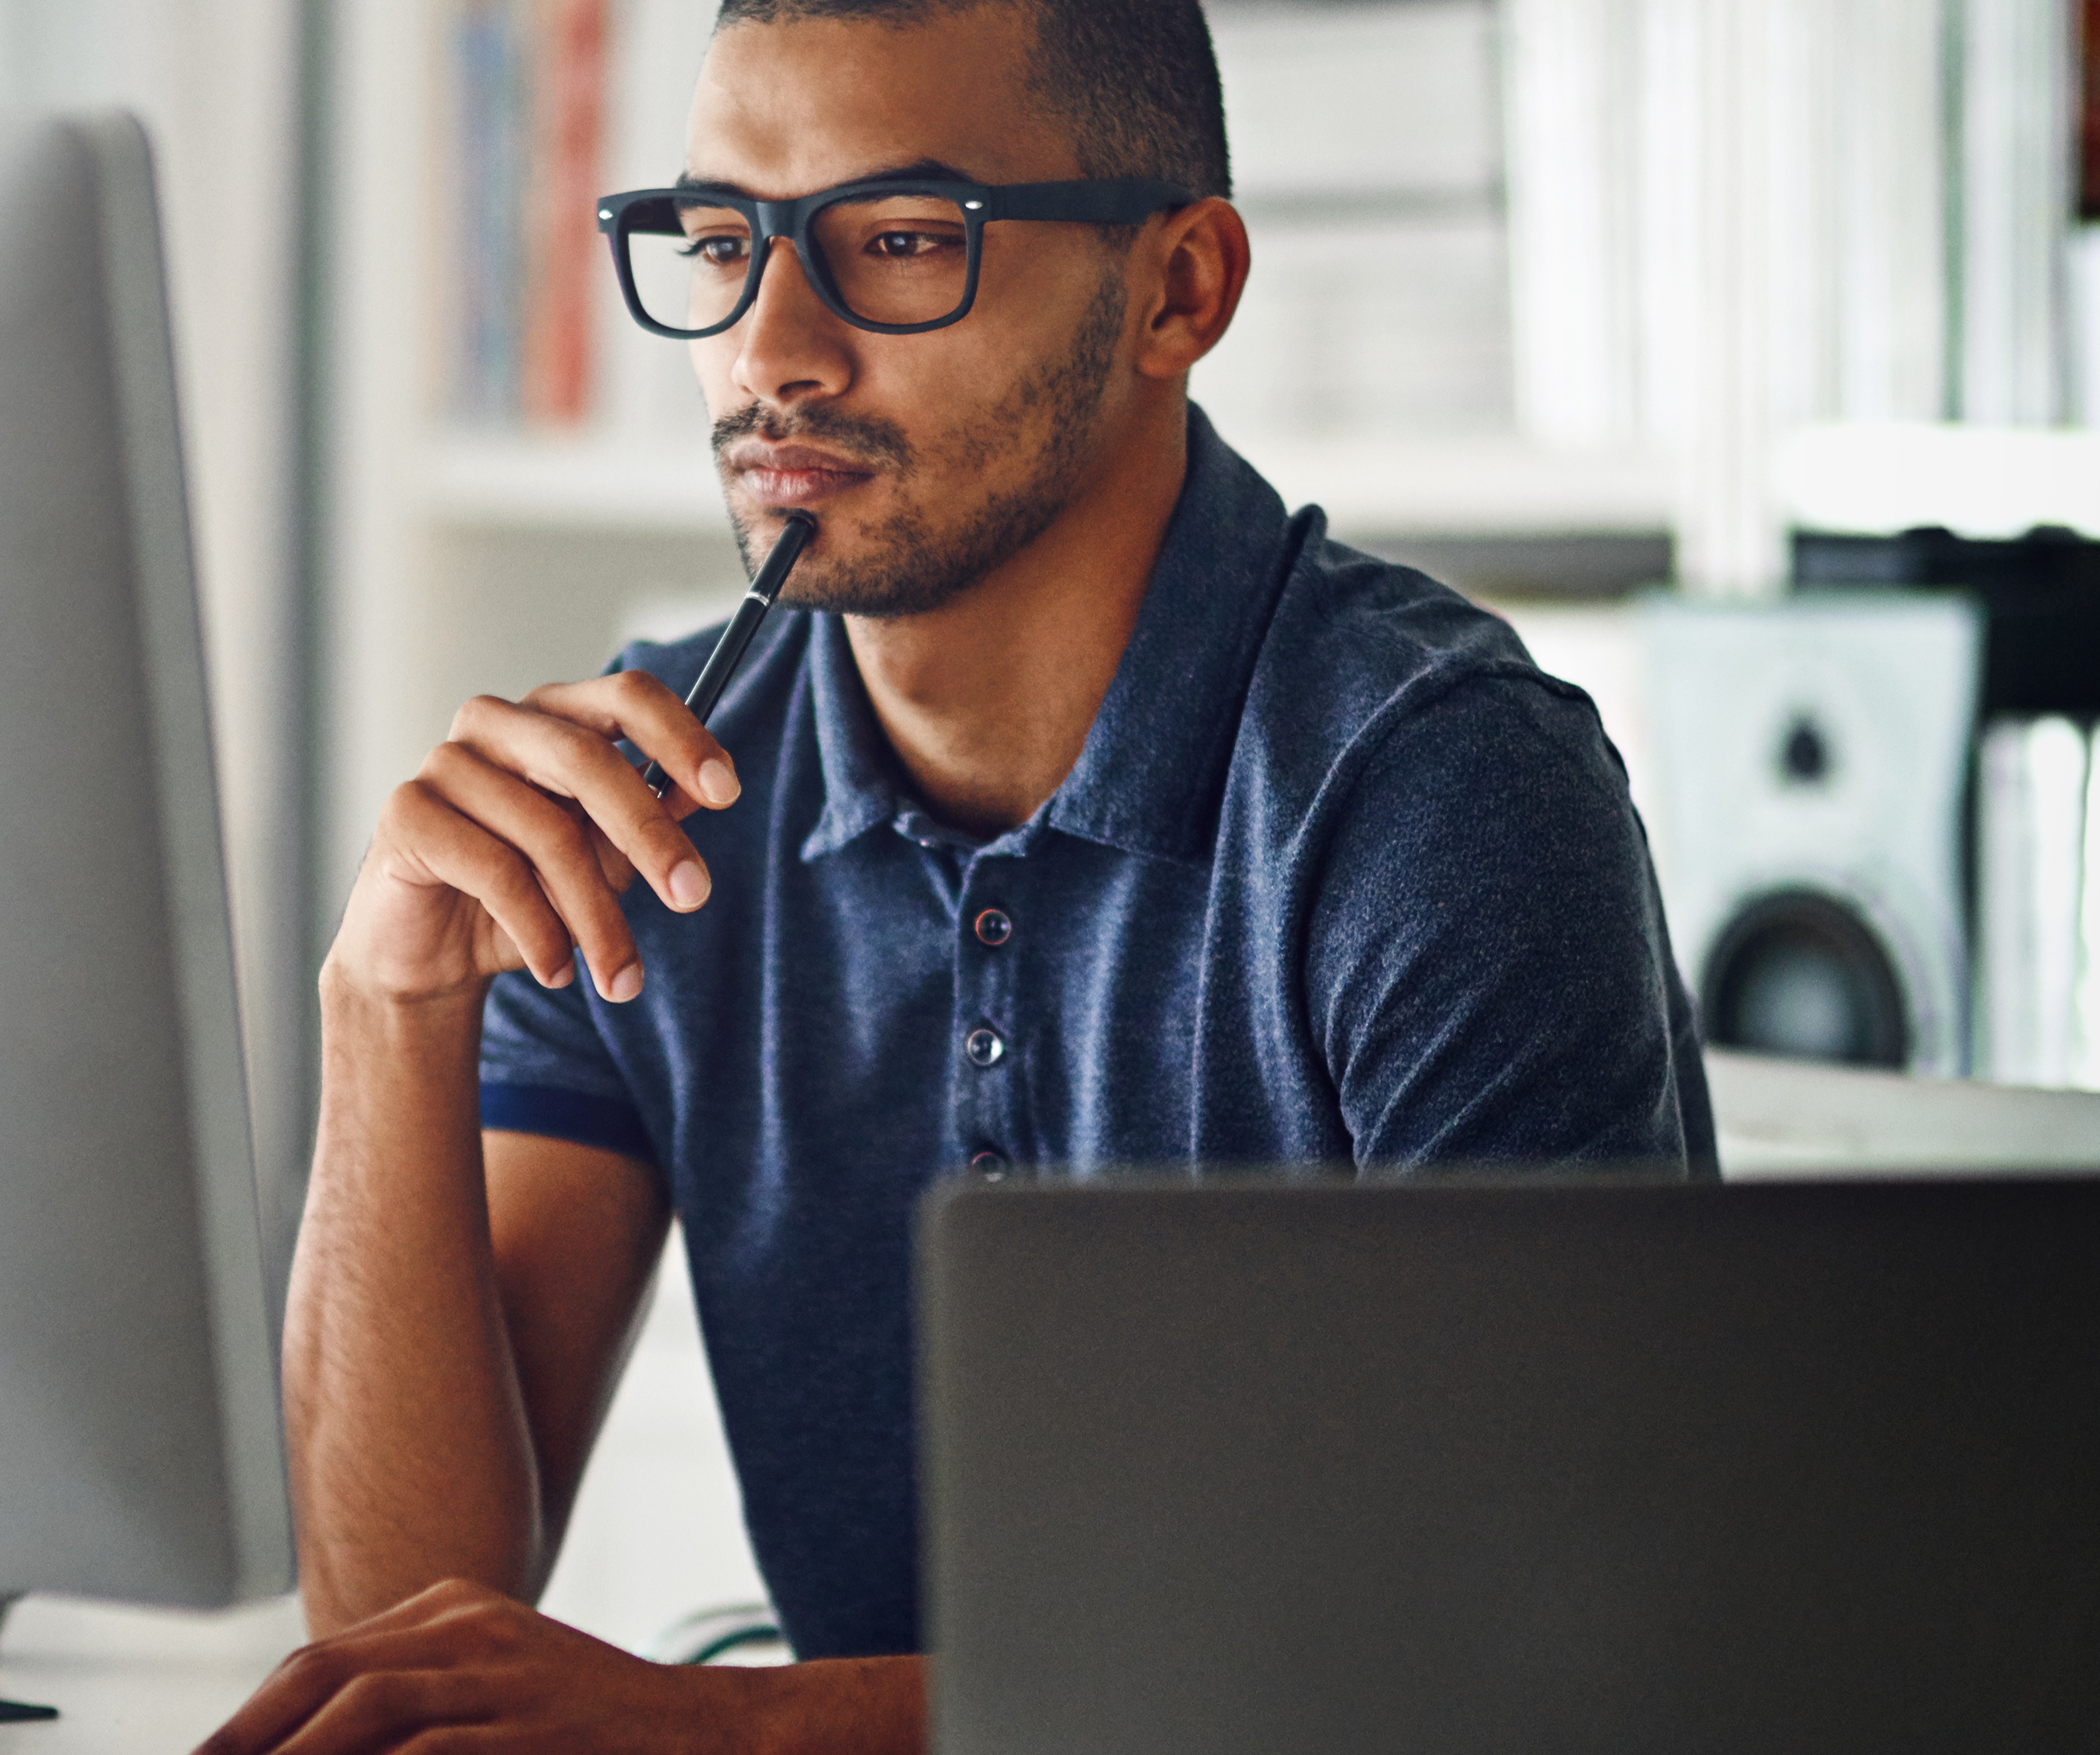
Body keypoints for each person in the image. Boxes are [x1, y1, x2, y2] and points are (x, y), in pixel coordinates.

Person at [202, 1, 1712, 1748]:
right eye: (717, 241)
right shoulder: (656, 782)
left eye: (900, 241)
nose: (770, 348)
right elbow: (400, 1630)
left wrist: (740, 1732)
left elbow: (1527, 1631)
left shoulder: (1439, 786)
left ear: (1179, 290)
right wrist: (384, 1005)